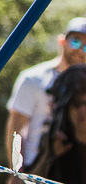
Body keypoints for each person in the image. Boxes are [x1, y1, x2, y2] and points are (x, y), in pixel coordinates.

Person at [10, 19, 86, 175]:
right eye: (75, 42)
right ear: (62, 41)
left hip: (75, 170)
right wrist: (16, 172)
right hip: (34, 170)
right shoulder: (33, 79)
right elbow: (16, 129)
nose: (80, 51)